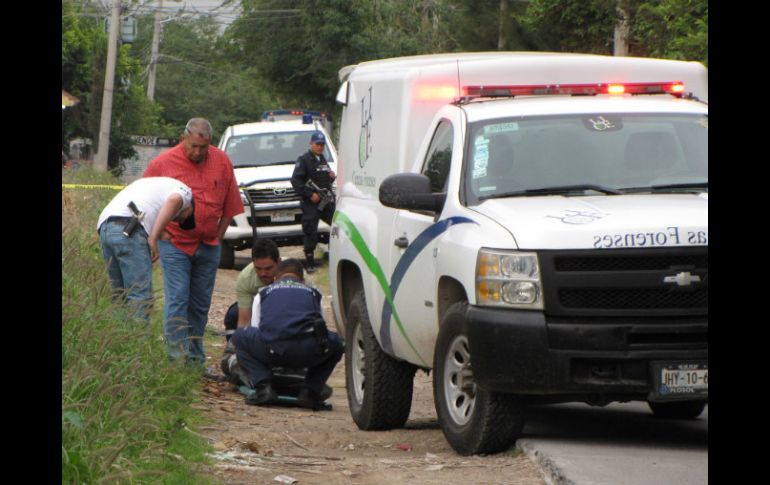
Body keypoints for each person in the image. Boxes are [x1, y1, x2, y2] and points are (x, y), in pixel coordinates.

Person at [143, 118, 244, 364]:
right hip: (175, 243)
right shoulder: (162, 163)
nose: (198, 152)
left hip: (209, 245)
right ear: (183, 139)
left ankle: (195, 358)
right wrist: (160, 234)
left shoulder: (221, 161)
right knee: (178, 299)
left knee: (200, 304)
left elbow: (231, 204)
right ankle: (176, 359)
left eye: (203, 147)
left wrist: (218, 236)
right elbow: (143, 199)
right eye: (193, 146)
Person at [230, 259, 343, 410]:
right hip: (307, 353)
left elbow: (258, 329)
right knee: (336, 342)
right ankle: (310, 392)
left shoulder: (263, 294)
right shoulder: (314, 293)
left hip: (273, 351)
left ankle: (264, 387)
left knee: (240, 337)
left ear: (275, 278)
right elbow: (320, 329)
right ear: (302, 280)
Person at [96, 177, 196, 321]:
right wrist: (153, 238)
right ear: (190, 207)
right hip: (128, 229)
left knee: (120, 295)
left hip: (106, 227)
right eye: (184, 219)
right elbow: (174, 201)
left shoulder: (153, 184)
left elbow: (144, 211)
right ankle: (137, 342)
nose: (178, 221)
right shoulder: (186, 192)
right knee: (140, 296)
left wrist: (159, 233)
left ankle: (117, 339)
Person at [290, 132, 336, 273]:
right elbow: (296, 181)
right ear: (311, 143)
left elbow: (324, 178)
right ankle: (310, 263)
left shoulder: (322, 159)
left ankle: (334, 254)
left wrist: (331, 177)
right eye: (317, 144)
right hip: (311, 202)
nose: (320, 147)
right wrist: (310, 194)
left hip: (325, 200)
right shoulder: (304, 160)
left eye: (322, 145)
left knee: (337, 223)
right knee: (310, 230)